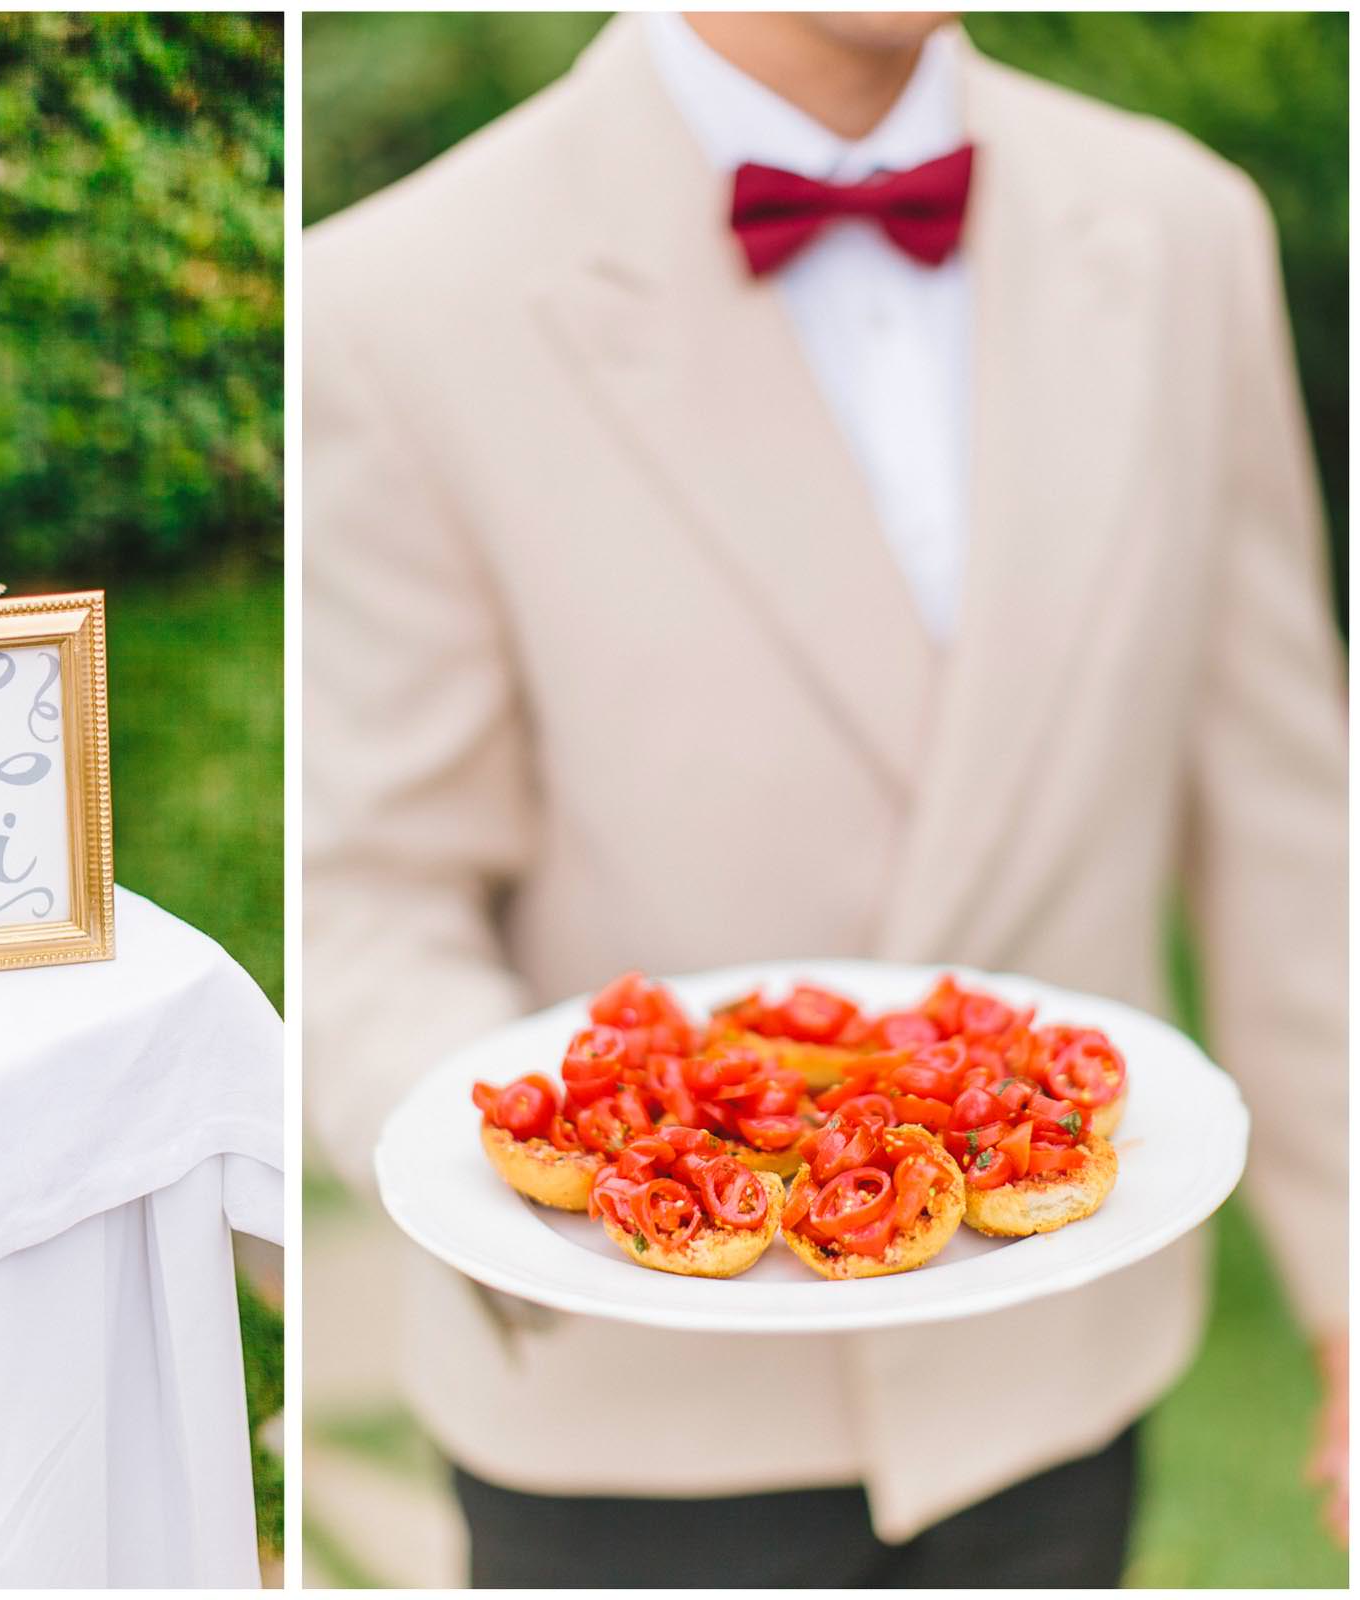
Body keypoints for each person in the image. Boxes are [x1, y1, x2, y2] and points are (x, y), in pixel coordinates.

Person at [304, 11, 1346, 1586]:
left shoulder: (1179, 227)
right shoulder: (392, 295)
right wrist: (564, 1209)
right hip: (630, 1422)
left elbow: (1285, 821)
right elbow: (365, 884)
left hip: (1052, 1375)